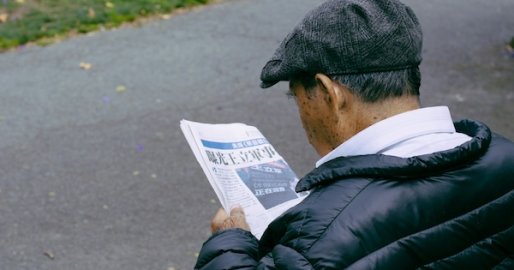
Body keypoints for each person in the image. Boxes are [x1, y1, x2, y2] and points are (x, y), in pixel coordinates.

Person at [194, 0, 514, 269]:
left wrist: (229, 245)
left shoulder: (317, 238)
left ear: (329, 93)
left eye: (297, 97)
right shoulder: (505, 157)